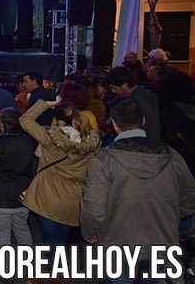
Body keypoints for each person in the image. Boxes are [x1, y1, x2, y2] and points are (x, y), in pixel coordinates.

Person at [81, 98, 195, 283]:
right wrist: (168, 215)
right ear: (143, 120)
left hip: (118, 245)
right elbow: (190, 199)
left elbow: (93, 208)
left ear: (115, 124)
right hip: (163, 242)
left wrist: (90, 233)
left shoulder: (103, 160)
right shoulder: (172, 156)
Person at [19, 99, 100, 250]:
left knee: (51, 242)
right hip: (73, 201)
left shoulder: (51, 139)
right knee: (62, 240)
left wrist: (45, 104)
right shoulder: (92, 142)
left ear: (59, 121)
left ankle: (56, 270)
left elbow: (25, 120)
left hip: (48, 198)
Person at [0, 108, 37, 246]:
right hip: (23, 195)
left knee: (2, 236)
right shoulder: (29, 142)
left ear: (2, 125)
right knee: (22, 230)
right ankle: (28, 264)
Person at [105, 66, 161, 140]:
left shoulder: (135, 102)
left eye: (114, 88)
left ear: (125, 85)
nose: (113, 91)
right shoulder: (146, 95)